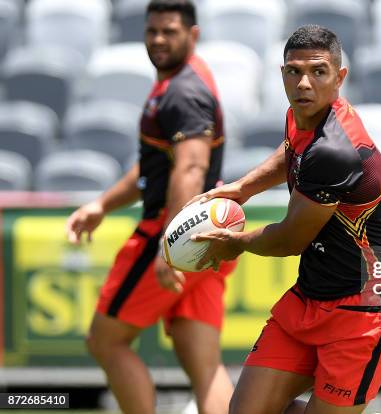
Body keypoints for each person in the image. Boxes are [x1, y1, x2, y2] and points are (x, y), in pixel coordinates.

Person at [183, 25, 381, 414]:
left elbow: (290, 240)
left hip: (362, 312)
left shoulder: (335, 150)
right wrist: (243, 188)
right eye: (293, 71)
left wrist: (234, 244)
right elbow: (291, 149)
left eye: (318, 72)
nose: (304, 83)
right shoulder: (303, 115)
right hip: (310, 297)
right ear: (282, 73)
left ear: (340, 77)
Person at [65, 1, 234, 413]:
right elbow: (163, 161)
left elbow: (191, 168)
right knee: (205, 366)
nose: (159, 40)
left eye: (170, 31)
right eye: (152, 31)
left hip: (171, 231)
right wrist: (104, 204)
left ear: (192, 35)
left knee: (105, 340)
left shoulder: (183, 92)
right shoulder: (183, 83)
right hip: (206, 233)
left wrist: (169, 246)